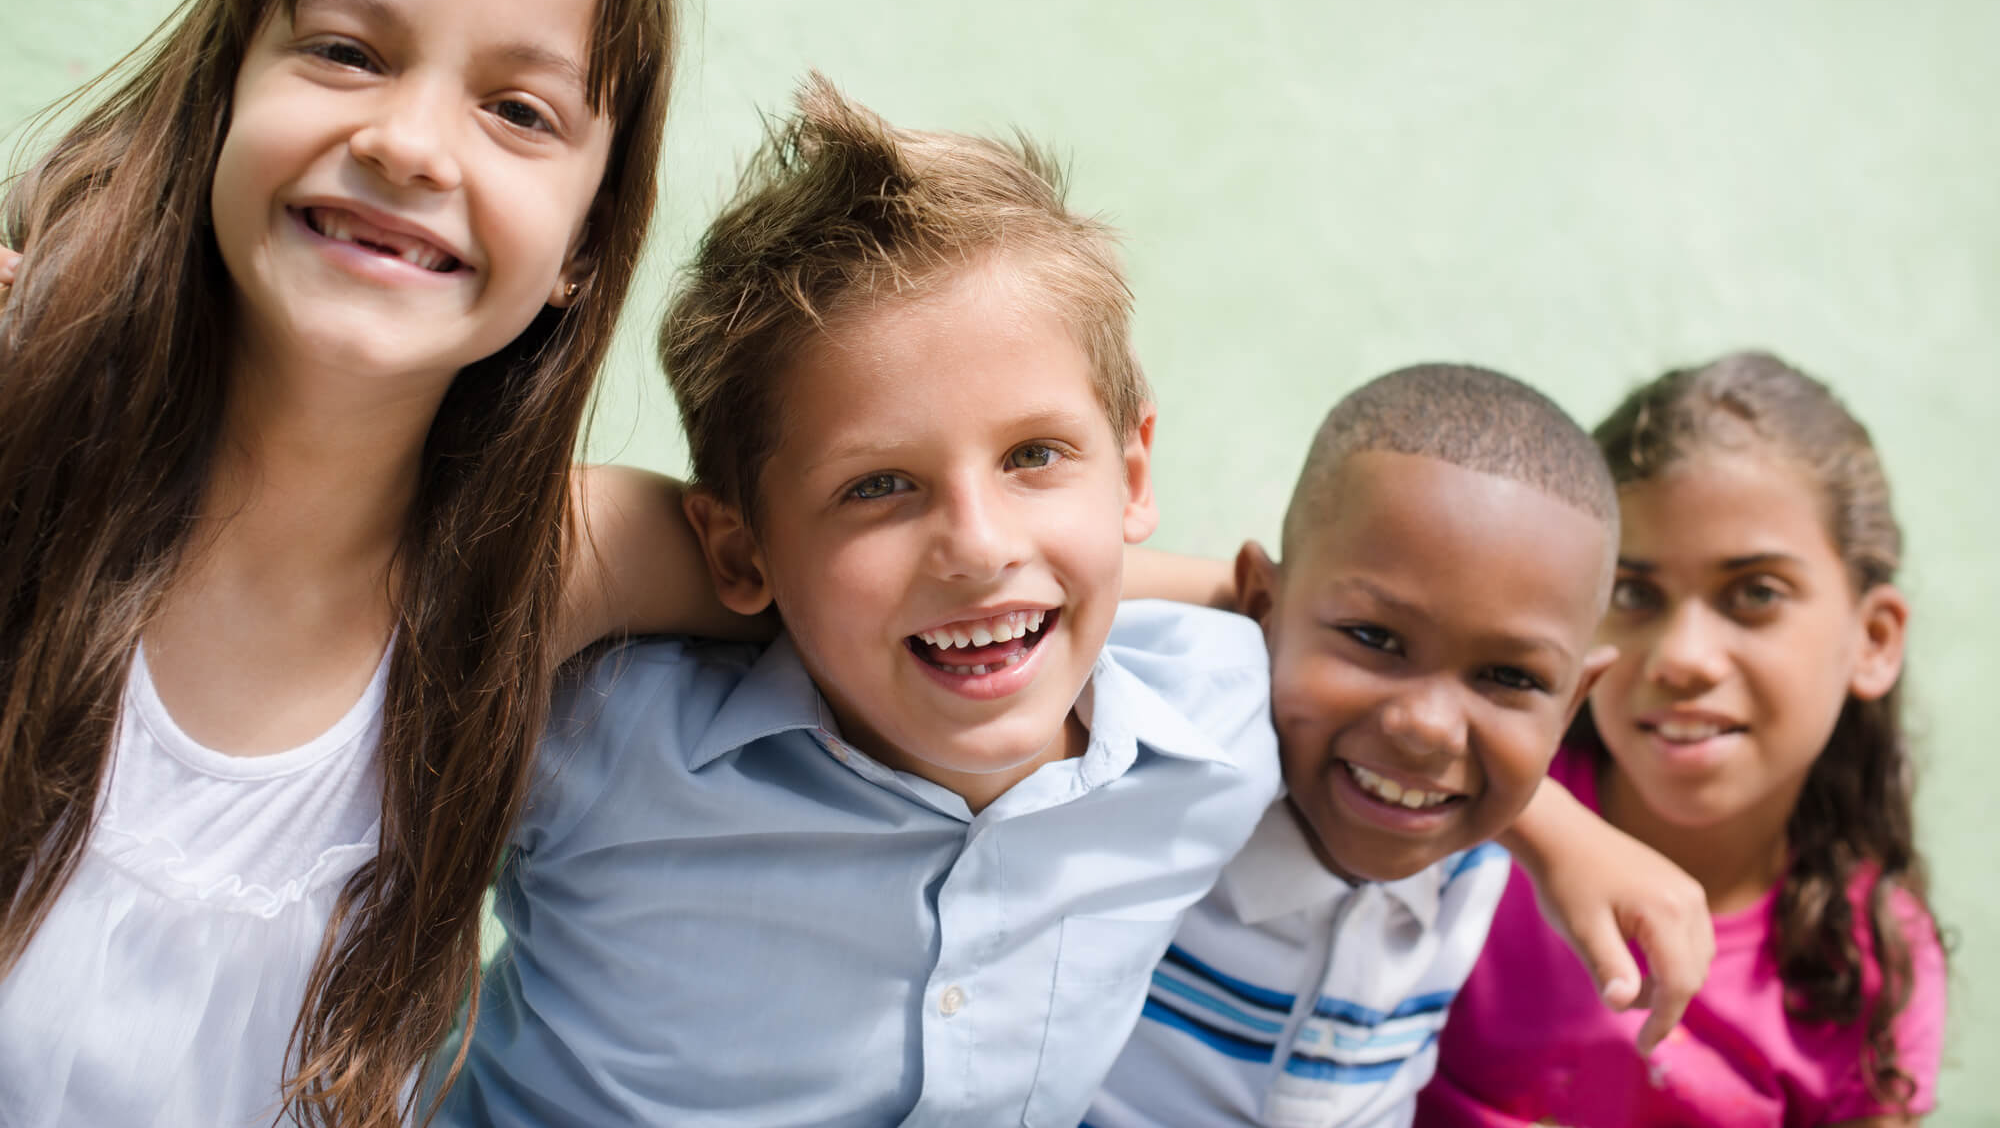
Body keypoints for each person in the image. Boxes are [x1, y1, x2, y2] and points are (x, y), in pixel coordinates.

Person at [0, 0, 742, 1123]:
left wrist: (1232, 595)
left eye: (519, 110)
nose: (408, 144)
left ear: (583, 246)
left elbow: (914, 556)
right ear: (223, 94)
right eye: (345, 50)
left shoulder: (540, 566)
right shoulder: (21, 430)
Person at [431, 75, 1283, 1126]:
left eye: (1034, 455)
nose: (977, 548)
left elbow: (1431, 687)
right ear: (736, 553)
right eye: (877, 486)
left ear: (1134, 473)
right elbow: (454, 564)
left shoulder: (1224, 717)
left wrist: (1556, 842)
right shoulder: (595, 740)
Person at [1087, 364, 1713, 1128]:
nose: (1429, 726)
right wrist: (1557, 824)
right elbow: (1041, 592)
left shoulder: (1471, 864)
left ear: (1574, 699)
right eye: (1373, 635)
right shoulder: (1168, 761)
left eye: (1508, 675)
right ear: (1261, 605)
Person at [1419, 351, 1948, 1126]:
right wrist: (1549, 827)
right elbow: (1286, 625)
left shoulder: (1876, 962)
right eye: (1632, 593)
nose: (1682, 658)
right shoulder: (1451, 804)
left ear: (1872, 639)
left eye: (1756, 593)